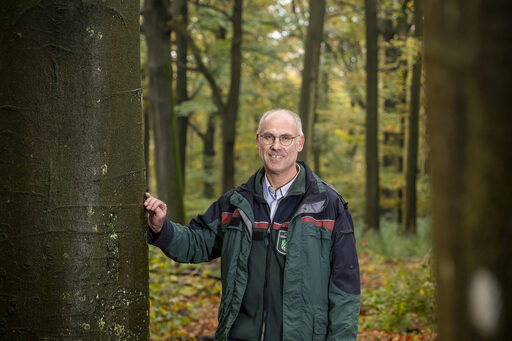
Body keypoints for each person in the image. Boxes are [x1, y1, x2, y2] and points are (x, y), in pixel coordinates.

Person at [144, 109, 360, 341]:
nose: (276, 145)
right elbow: (196, 242)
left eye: (285, 138)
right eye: (269, 137)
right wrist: (160, 227)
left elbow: (345, 289)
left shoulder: (328, 204)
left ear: (300, 143)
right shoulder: (237, 202)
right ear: (258, 142)